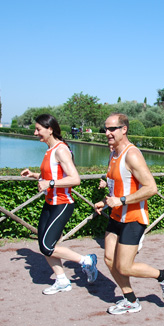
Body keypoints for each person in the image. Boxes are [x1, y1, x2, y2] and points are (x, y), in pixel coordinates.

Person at [94, 113, 164, 315]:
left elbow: (151, 188)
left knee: (125, 266)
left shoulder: (132, 154)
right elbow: (118, 188)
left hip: (133, 218)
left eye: (112, 129)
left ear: (124, 129)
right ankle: (130, 300)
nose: (107, 133)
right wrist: (105, 203)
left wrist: (121, 201)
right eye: (106, 129)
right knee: (109, 260)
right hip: (115, 216)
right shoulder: (113, 154)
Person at [21, 114, 98, 295]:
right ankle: (62, 280)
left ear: (50, 129)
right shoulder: (50, 150)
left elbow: (75, 179)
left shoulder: (60, 150)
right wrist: (34, 175)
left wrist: (50, 184)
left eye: (38, 129)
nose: (35, 132)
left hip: (62, 204)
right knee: (43, 244)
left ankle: (86, 260)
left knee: (48, 246)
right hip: (50, 202)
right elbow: (52, 176)